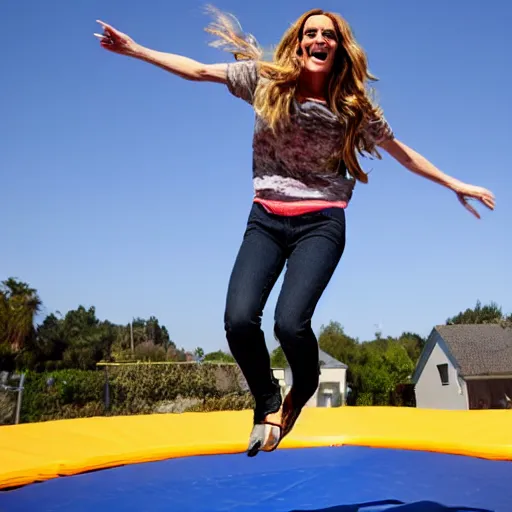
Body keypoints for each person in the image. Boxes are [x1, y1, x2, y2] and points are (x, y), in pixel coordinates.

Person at [94, 7, 495, 456]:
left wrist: (455, 184)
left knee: (289, 322)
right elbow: (200, 70)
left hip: (321, 223)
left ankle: (302, 386)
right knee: (239, 319)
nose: (319, 39)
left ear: (339, 47)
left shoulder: (352, 108)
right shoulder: (266, 81)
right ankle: (266, 402)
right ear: (299, 44)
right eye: (311, 33)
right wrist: (134, 49)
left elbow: (401, 153)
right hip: (265, 217)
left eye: (329, 34)